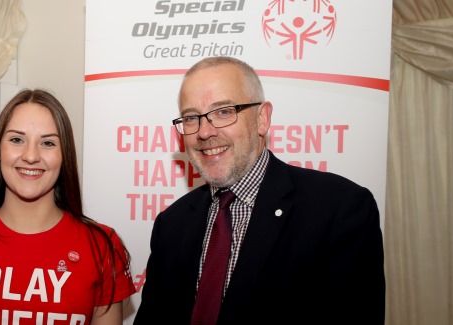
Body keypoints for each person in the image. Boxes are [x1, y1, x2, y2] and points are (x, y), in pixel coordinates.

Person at [134, 56, 385, 324]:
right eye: (191, 117)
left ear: (262, 118)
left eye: (224, 111)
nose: (204, 132)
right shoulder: (172, 224)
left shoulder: (339, 209)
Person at [0, 89, 136, 325]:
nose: (31, 156)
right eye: (16, 140)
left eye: (48, 143)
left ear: (64, 156)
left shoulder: (101, 245)